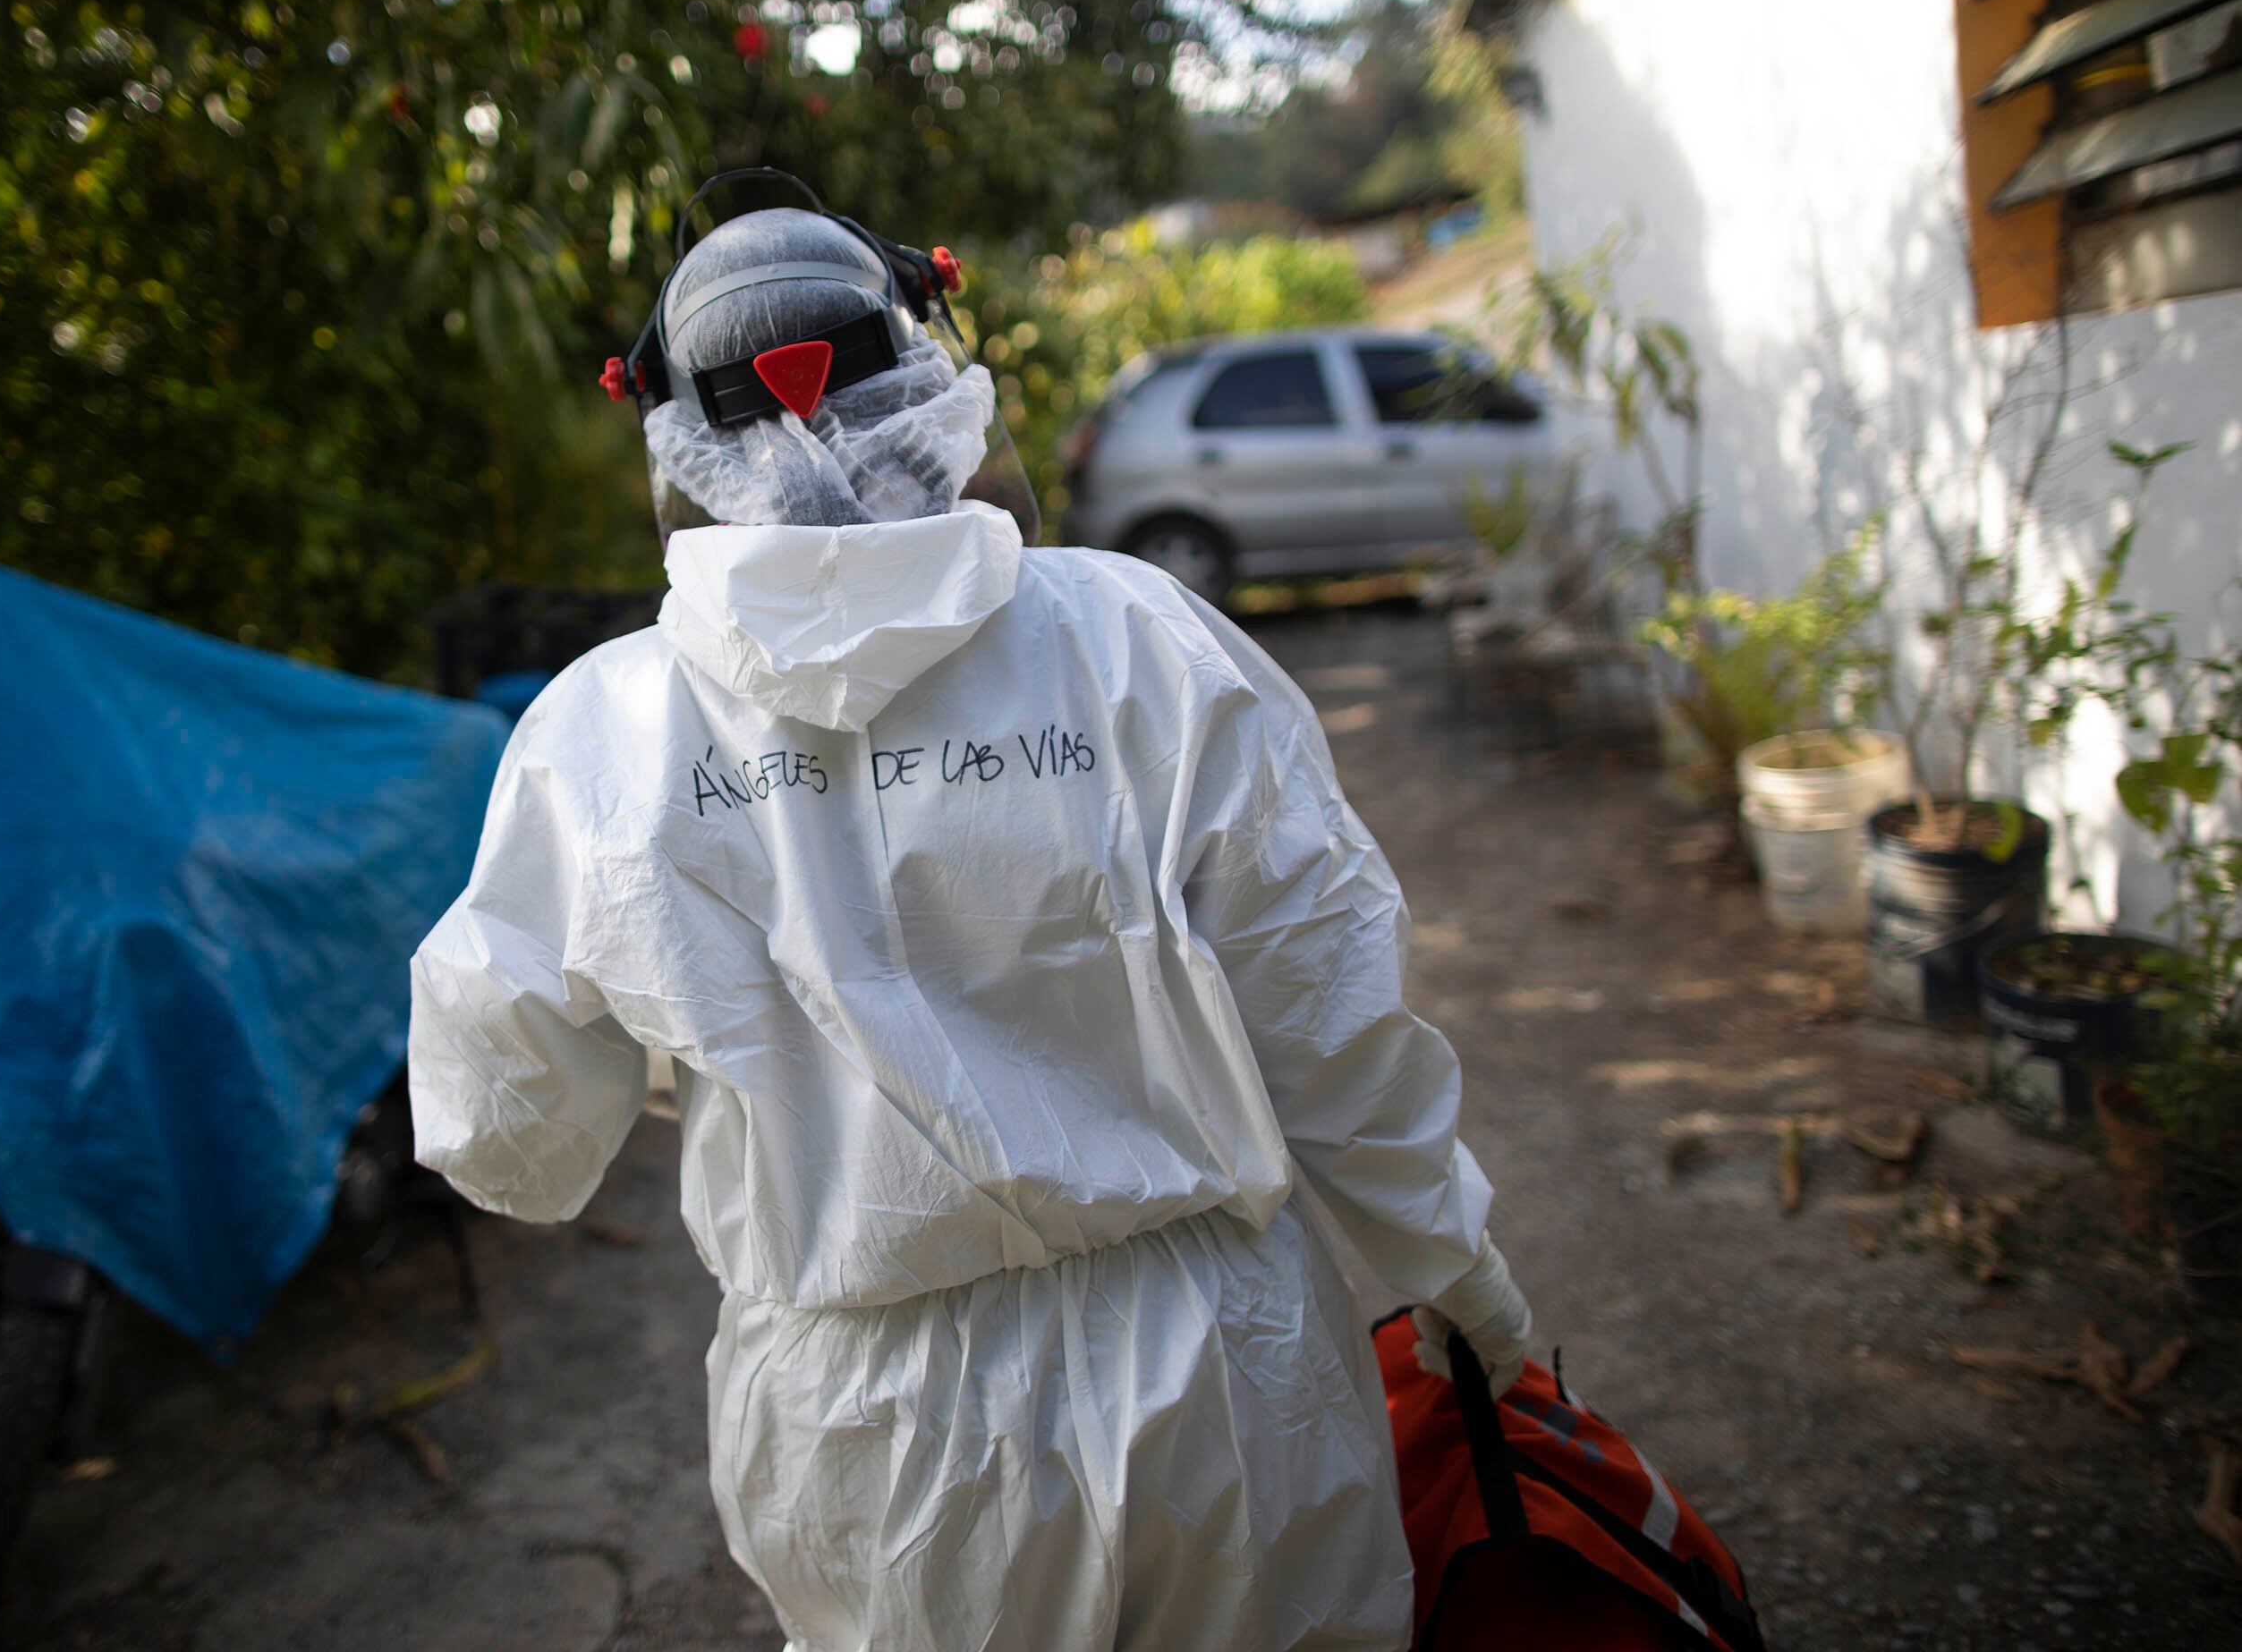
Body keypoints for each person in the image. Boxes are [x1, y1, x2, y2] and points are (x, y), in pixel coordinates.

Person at [408, 201, 1535, 1650]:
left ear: (677, 441)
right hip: (1223, 1380)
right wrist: (1461, 1279)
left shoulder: (601, 736)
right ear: (926, 372)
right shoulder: (1132, 637)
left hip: (876, 1443)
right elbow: (1327, 1009)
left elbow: (508, 1139)